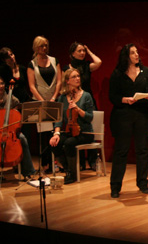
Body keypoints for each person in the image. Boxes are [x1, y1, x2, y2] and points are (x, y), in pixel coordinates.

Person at [108, 43, 148, 198]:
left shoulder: (145, 71)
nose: (137, 55)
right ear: (126, 56)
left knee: (142, 150)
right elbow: (112, 96)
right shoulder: (117, 73)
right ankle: (115, 186)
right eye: (133, 53)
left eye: (137, 52)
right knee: (121, 151)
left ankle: (143, 183)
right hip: (123, 116)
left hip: (143, 114)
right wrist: (124, 99)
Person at [49, 69, 95, 184]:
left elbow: (90, 117)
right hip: (70, 131)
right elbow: (59, 119)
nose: (77, 79)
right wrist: (56, 133)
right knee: (54, 143)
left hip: (85, 133)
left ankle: (72, 174)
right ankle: (69, 170)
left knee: (69, 143)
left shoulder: (86, 96)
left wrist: (78, 109)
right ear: (67, 81)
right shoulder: (62, 98)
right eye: (74, 77)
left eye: (78, 76)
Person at [63, 42, 102, 170]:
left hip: (86, 98)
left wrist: (89, 51)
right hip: (73, 98)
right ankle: (78, 163)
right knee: (75, 128)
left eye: (83, 51)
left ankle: (92, 161)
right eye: (79, 51)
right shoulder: (66, 68)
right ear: (72, 53)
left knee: (89, 127)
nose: (82, 53)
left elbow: (99, 62)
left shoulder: (86, 65)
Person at [27, 36, 62, 171]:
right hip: (40, 102)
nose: (44, 48)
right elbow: (32, 86)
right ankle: (45, 163)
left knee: (55, 131)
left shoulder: (54, 61)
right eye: (42, 46)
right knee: (43, 134)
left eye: (46, 45)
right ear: (36, 47)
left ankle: (55, 162)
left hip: (54, 100)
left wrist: (54, 97)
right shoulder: (32, 64)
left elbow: (59, 81)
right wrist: (42, 100)